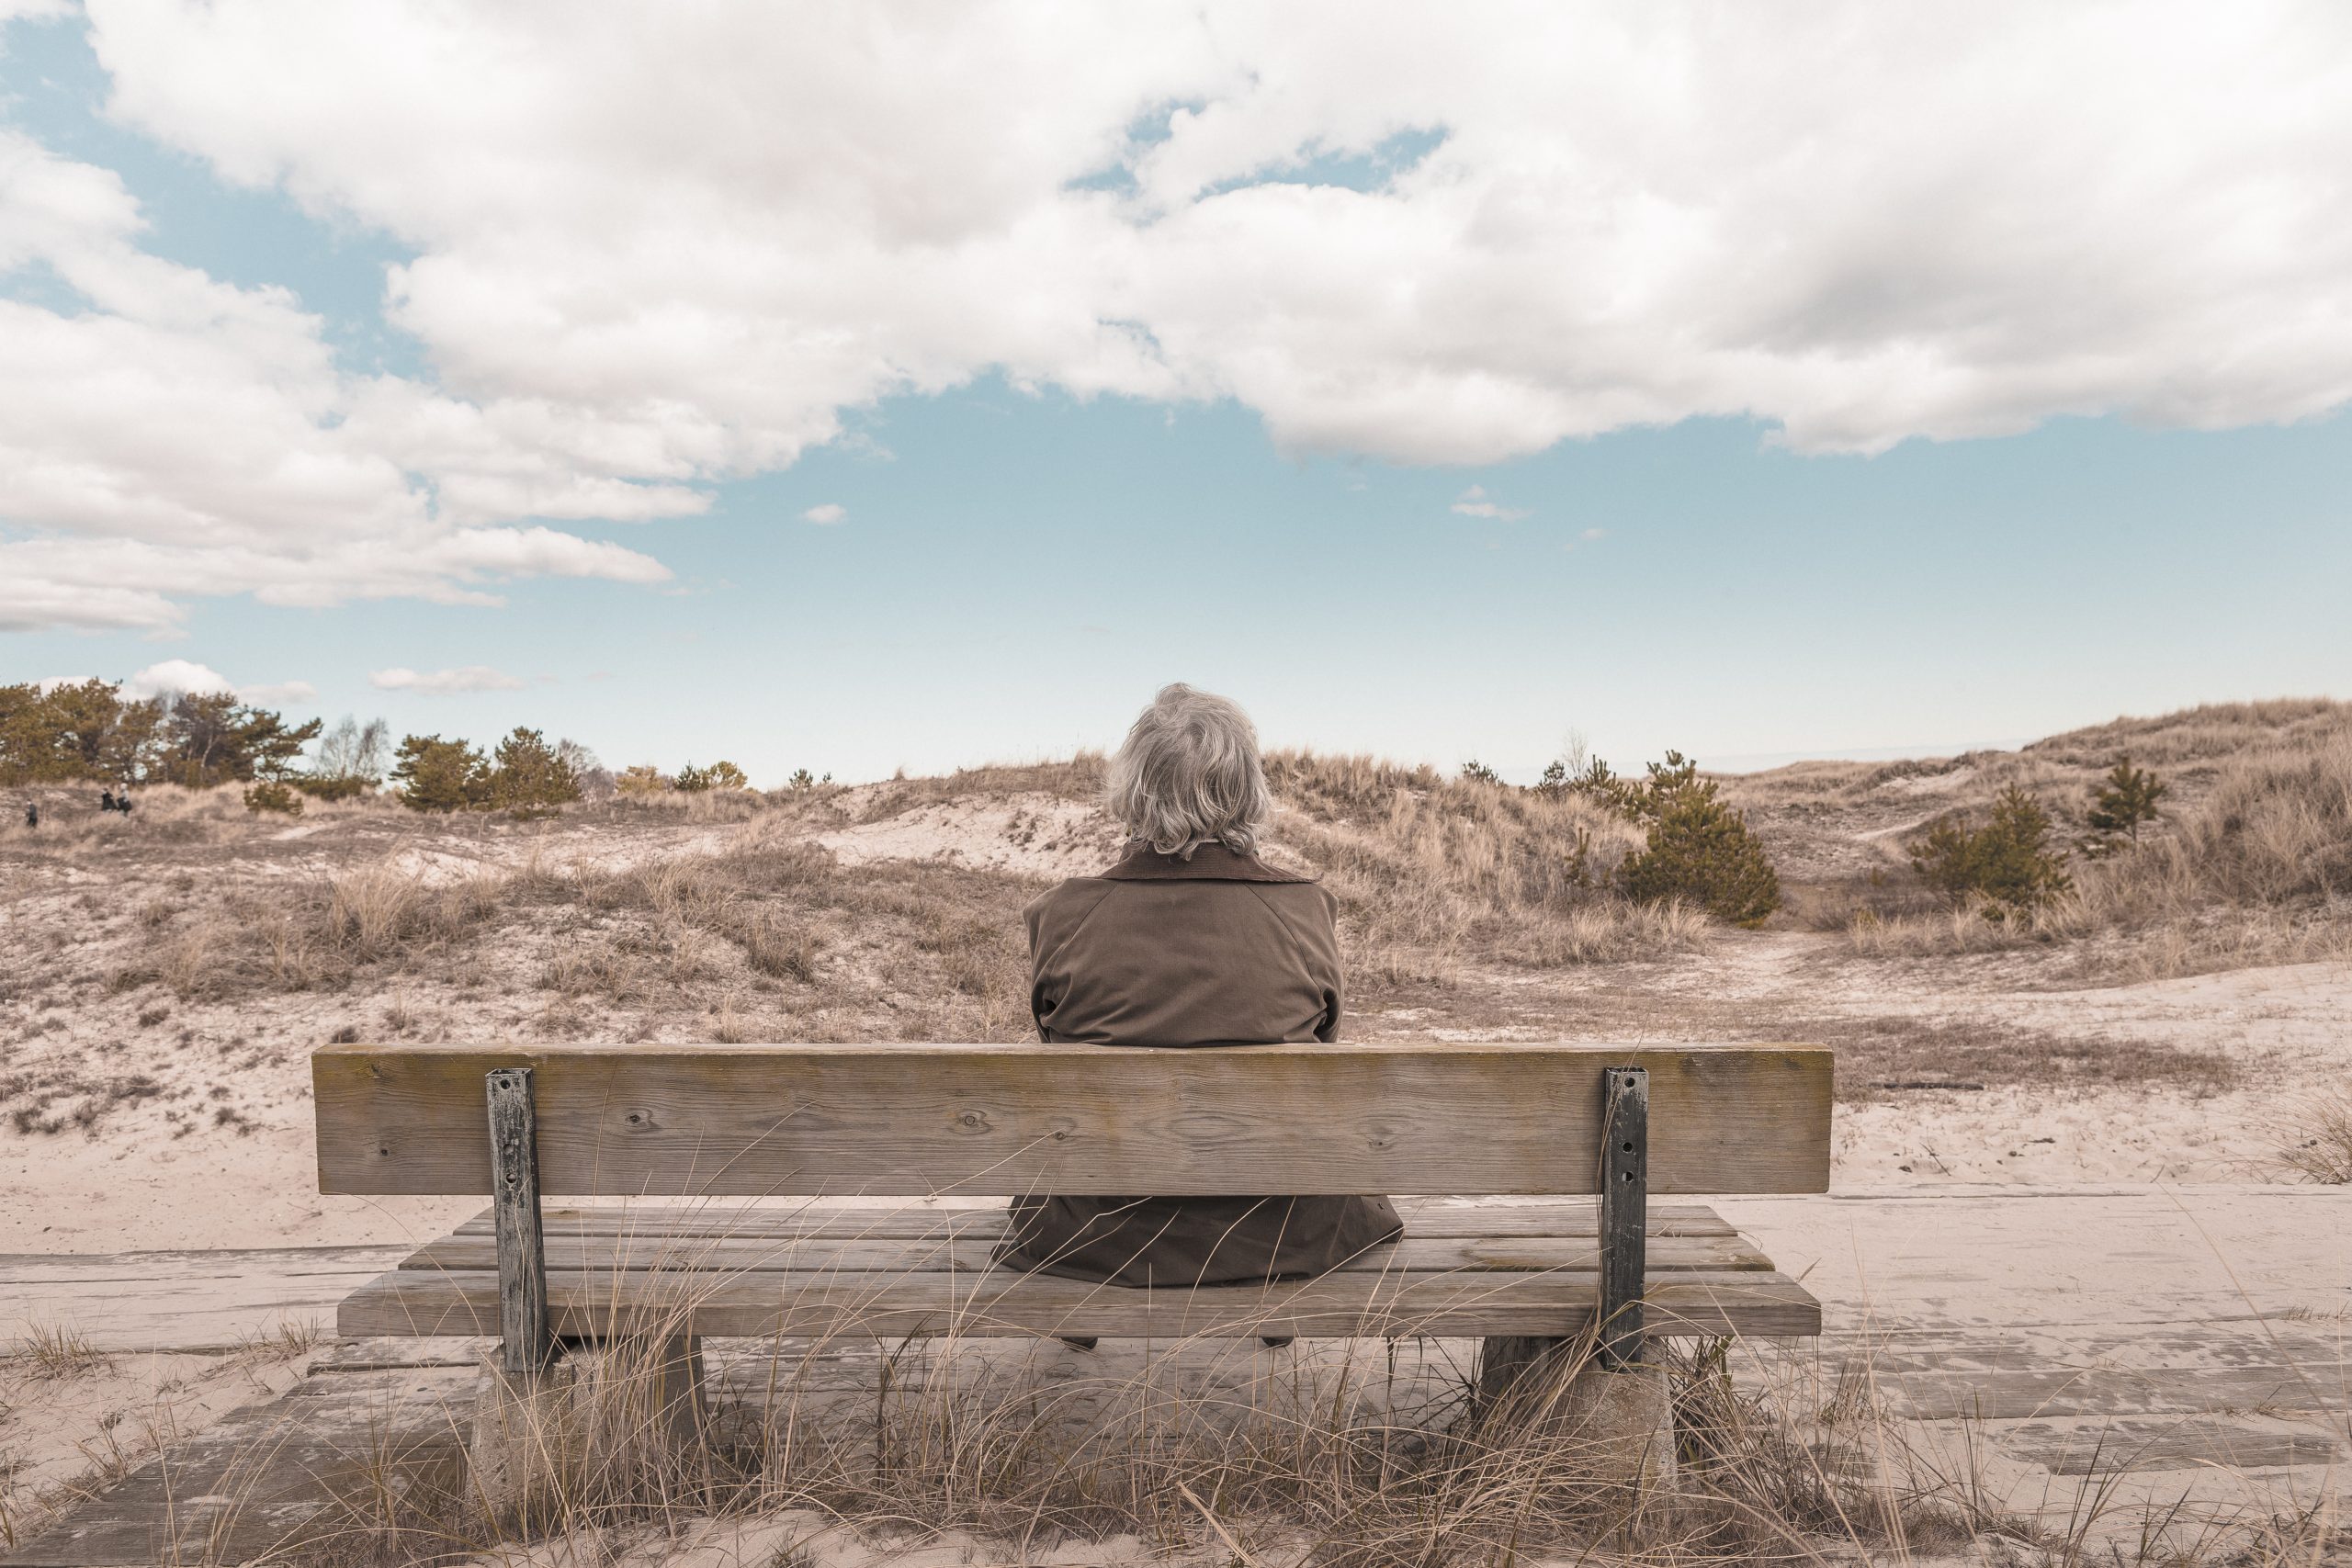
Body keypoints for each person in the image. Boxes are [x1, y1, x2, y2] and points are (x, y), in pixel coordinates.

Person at [994, 682, 1403, 1308]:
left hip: (1099, 1234)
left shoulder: (1063, 916)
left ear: (1135, 790)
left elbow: (1058, 1047)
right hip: (1281, 1232)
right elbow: (1322, 1047)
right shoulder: (1305, 912)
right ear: (1246, 789)